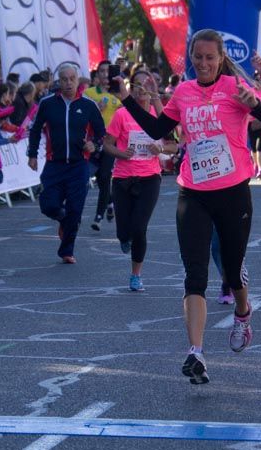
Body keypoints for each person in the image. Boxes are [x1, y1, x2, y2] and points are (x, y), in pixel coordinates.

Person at [119, 30, 261, 385]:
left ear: (220, 57)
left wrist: (254, 104)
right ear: (191, 59)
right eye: (198, 58)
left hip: (233, 192)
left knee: (232, 269)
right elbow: (160, 129)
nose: (204, 64)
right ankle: (196, 352)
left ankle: (242, 312)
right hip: (192, 192)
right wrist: (130, 101)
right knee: (195, 274)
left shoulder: (234, 89)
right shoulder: (184, 91)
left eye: (210, 58)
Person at [102, 70, 174, 291]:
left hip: (149, 178)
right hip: (123, 178)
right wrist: (122, 153)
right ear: (130, 90)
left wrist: (160, 148)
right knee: (124, 231)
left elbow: (173, 146)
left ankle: (136, 275)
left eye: (146, 85)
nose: (141, 89)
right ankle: (124, 237)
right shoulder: (122, 115)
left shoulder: (158, 114)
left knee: (139, 227)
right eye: (137, 85)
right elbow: (107, 144)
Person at [27, 63, 106, 264]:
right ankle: (63, 219)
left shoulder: (88, 105)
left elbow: (100, 133)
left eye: (72, 78)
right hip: (55, 164)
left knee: (75, 209)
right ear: (58, 82)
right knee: (48, 204)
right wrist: (33, 154)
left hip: (79, 166)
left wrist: (93, 145)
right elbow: (35, 129)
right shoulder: (47, 104)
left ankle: (66, 251)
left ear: (78, 80)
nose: (69, 82)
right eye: (64, 79)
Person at [85, 60, 122, 231]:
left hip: (109, 142)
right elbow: (82, 117)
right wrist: (95, 110)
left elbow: (127, 116)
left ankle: (98, 217)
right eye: (101, 71)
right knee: (100, 179)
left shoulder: (120, 95)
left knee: (105, 175)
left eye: (108, 71)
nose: (105, 75)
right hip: (92, 142)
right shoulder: (89, 93)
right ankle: (110, 202)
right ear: (97, 75)